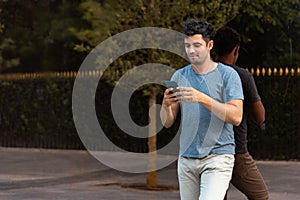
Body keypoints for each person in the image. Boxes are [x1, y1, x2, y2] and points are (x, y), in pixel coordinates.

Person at [160, 19, 244, 200]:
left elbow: (236, 116)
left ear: (209, 45)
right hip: (187, 159)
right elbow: (167, 122)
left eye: (197, 45)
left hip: (218, 157)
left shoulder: (228, 75)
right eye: (187, 45)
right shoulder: (179, 75)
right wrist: (166, 105)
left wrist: (202, 98)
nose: (191, 50)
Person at [213, 26, 269, 200]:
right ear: (236, 49)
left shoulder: (203, 74)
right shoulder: (241, 76)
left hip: (208, 151)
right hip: (236, 152)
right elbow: (260, 117)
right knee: (261, 196)